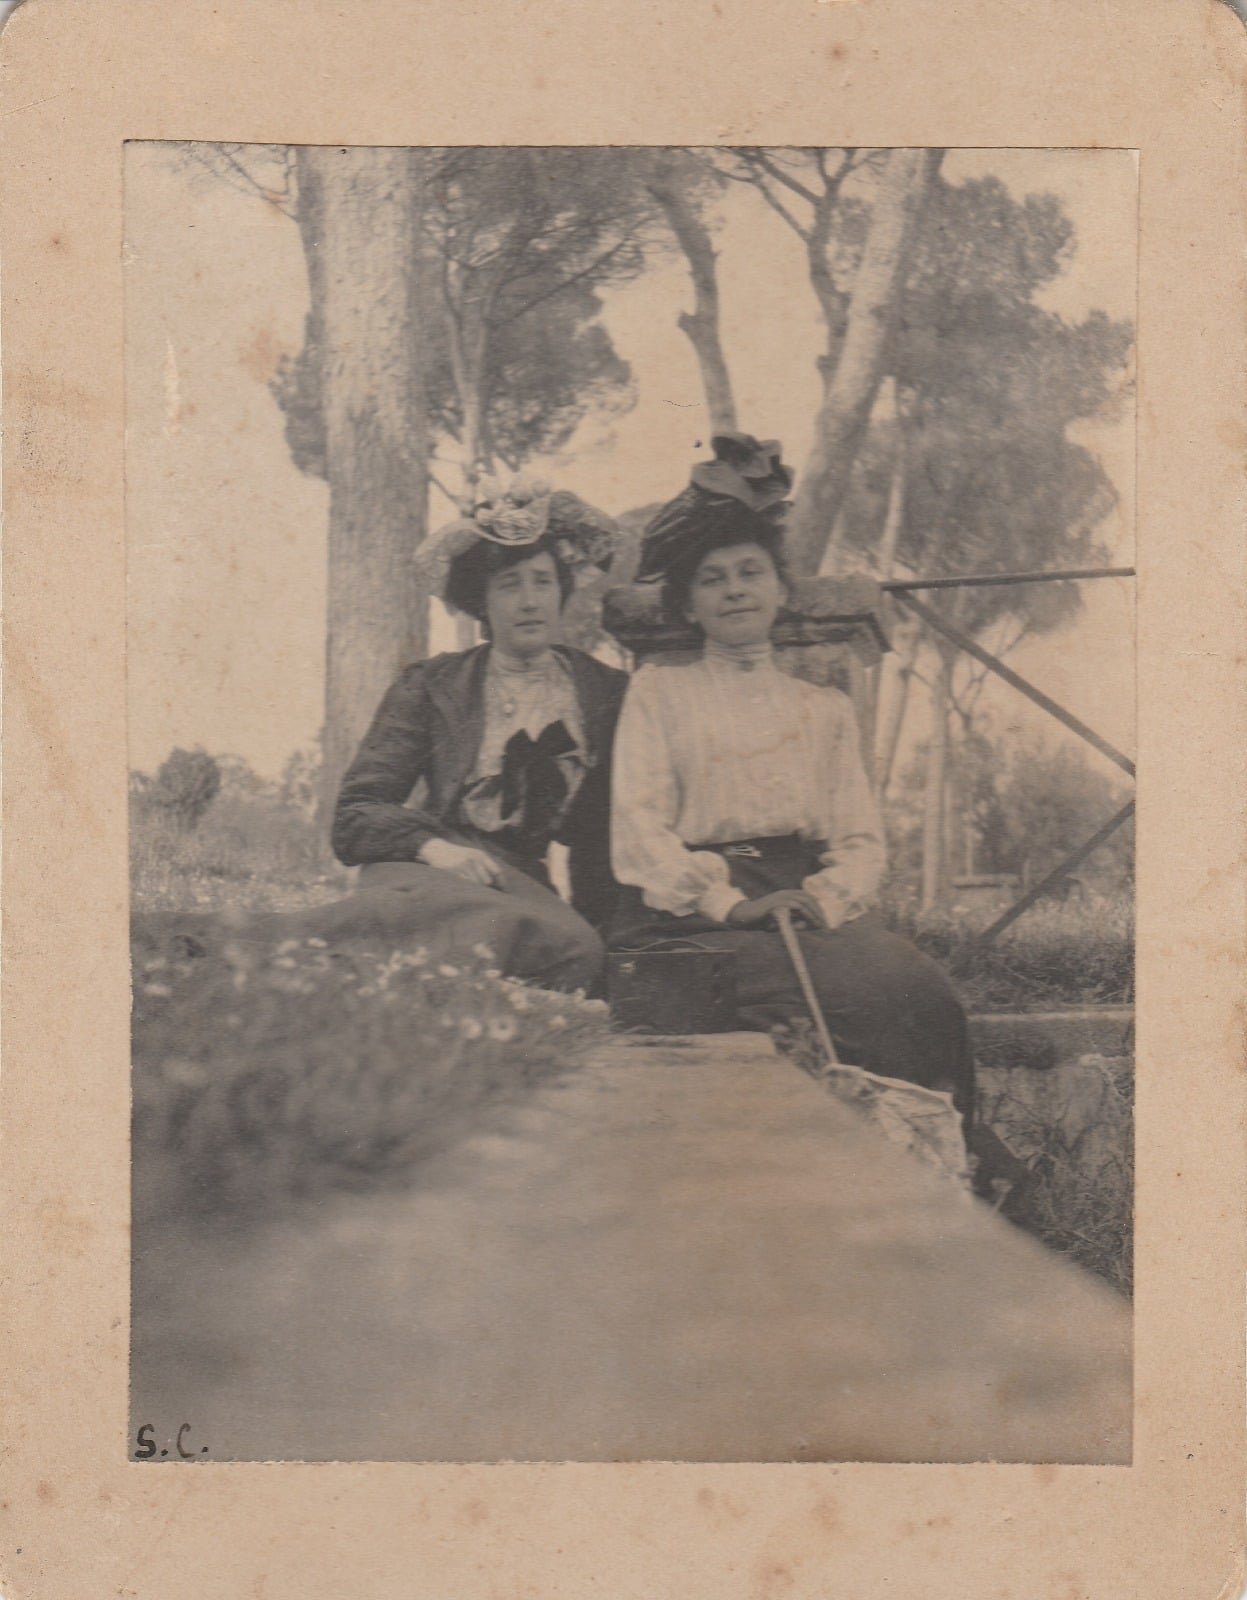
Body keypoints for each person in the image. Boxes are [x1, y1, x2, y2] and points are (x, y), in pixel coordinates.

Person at [608, 435, 977, 1122]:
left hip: (801, 901)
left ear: (780, 592)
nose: (734, 590)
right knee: (841, 999)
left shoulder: (822, 709)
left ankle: (939, 1148)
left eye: (750, 573)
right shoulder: (658, 692)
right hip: (691, 913)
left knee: (920, 989)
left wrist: (824, 901)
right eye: (712, 579)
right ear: (687, 606)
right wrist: (728, 904)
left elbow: (859, 840)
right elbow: (638, 831)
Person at [320, 480, 629, 993]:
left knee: (578, 950)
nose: (529, 601)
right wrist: (434, 848)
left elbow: (602, 836)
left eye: (542, 582)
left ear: (562, 591)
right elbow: (357, 813)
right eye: (509, 585)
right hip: (428, 866)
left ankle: (383, 983)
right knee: (448, 928)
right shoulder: (432, 684)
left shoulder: (602, 691)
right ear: (482, 602)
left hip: (520, 882)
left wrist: (605, 928)